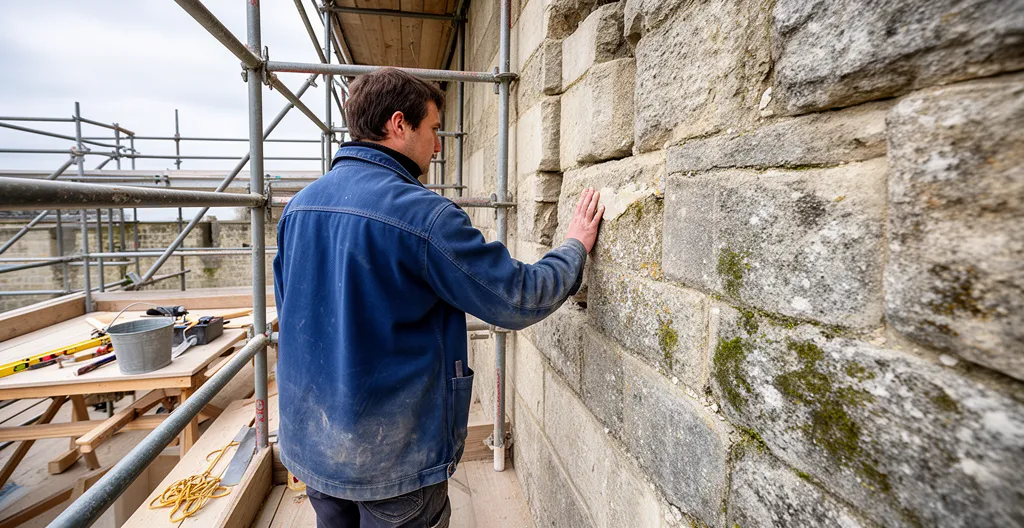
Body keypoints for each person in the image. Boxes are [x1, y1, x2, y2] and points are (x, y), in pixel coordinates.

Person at [273, 67, 604, 528]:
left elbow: (290, 315)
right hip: (394, 461)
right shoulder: (423, 215)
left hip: (316, 450)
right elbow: (517, 297)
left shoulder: (299, 208)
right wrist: (573, 247)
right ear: (398, 124)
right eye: (432, 129)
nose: (439, 144)